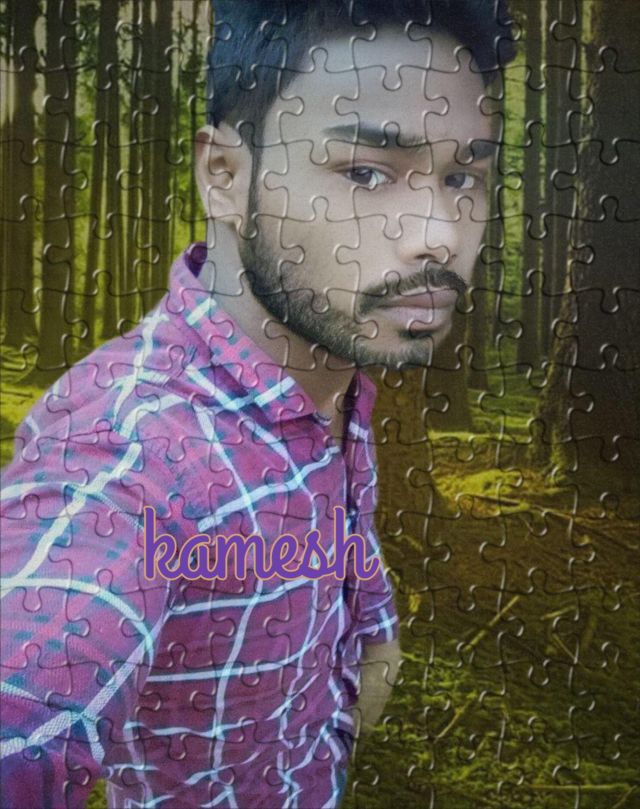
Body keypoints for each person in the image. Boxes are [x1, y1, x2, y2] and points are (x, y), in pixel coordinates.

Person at [0, 1, 515, 806]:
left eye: (462, 178)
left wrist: (371, 633)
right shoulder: (124, 453)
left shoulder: (334, 377)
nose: (440, 233)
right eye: (366, 172)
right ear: (224, 176)